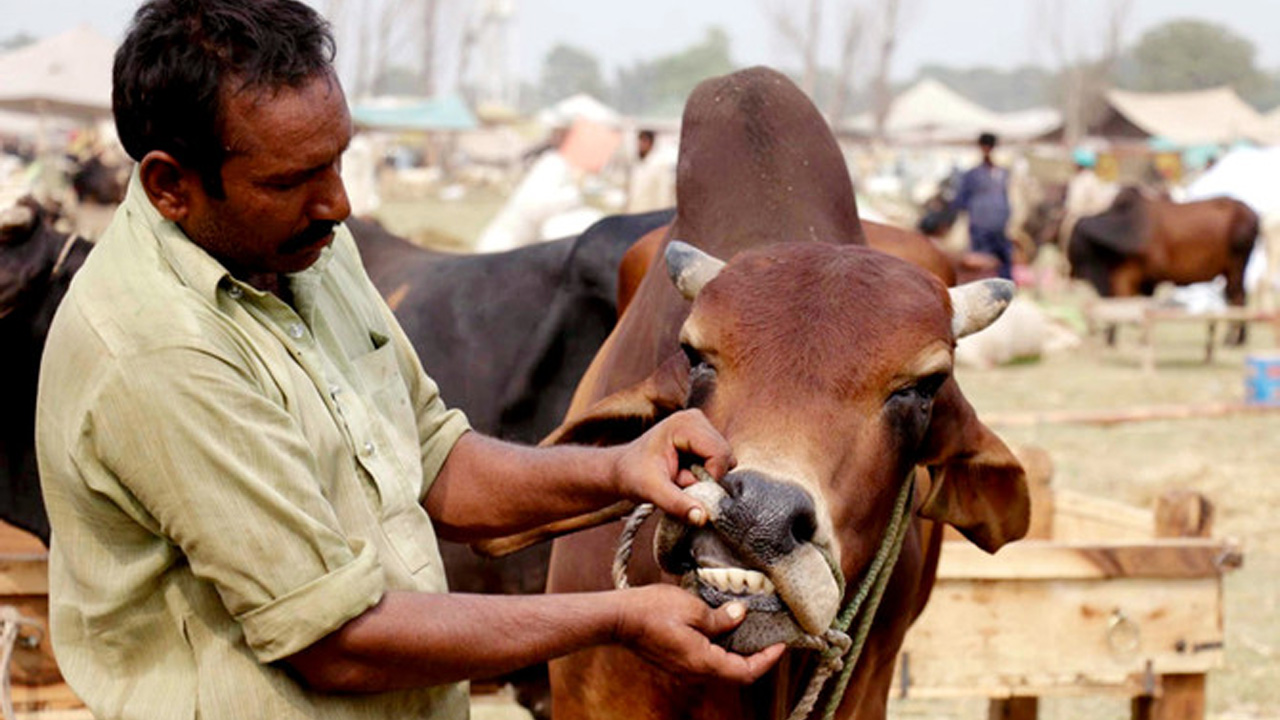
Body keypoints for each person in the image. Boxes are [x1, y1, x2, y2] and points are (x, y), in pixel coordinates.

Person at [33, 2, 783, 719]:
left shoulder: (303, 251)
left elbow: (435, 462)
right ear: (170, 186)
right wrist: (618, 619)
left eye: (336, 160)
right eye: (289, 181)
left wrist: (620, 470)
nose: (337, 201)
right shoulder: (159, 351)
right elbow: (337, 642)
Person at [950, 132, 1014, 279]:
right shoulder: (973, 174)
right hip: (982, 225)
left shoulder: (1003, 173)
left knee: (1002, 263)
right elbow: (961, 200)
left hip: (1000, 225)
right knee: (982, 264)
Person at [1058, 146, 1116, 251]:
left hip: (1079, 225)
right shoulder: (1097, 180)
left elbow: (1074, 206)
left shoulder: (1080, 181)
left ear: (1078, 164)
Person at [626, 128, 676, 213]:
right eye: (640, 141)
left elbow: (664, 195)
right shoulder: (638, 165)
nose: (641, 145)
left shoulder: (660, 165)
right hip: (634, 213)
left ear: (651, 143)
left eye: (644, 142)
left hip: (650, 215)